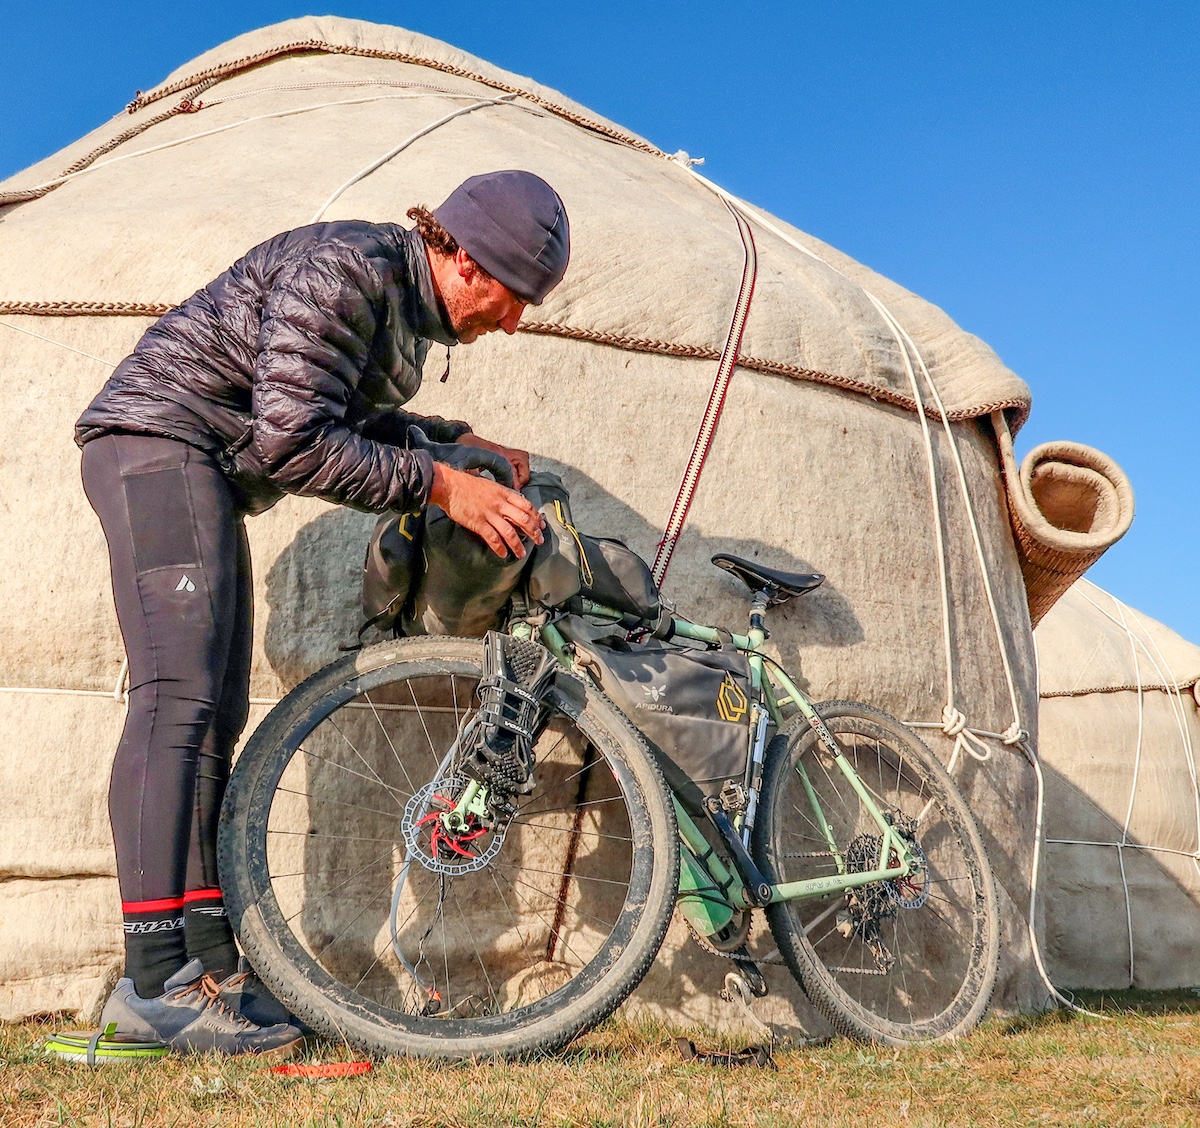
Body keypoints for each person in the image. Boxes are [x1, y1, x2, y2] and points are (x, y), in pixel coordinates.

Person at [74, 169, 568, 1054]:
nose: (514, 320)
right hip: (158, 447)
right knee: (175, 704)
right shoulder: (347, 269)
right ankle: (153, 985)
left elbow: (336, 414)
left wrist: (447, 443)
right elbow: (292, 438)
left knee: (213, 716)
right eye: (511, 293)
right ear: (460, 254)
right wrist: (443, 483)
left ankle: (208, 966)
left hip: (204, 473)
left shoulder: (398, 306)